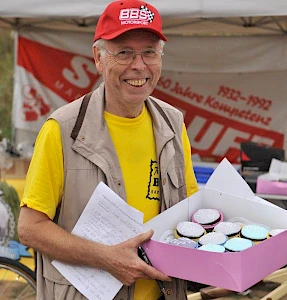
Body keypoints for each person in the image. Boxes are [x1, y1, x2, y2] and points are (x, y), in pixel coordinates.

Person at [17, 0, 199, 299]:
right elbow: (30, 228)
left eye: (149, 52)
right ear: (99, 58)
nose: (138, 65)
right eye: (124, 52)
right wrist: (106, 258)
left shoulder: (173, 123)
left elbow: (187, 209)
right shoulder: (62, 129)